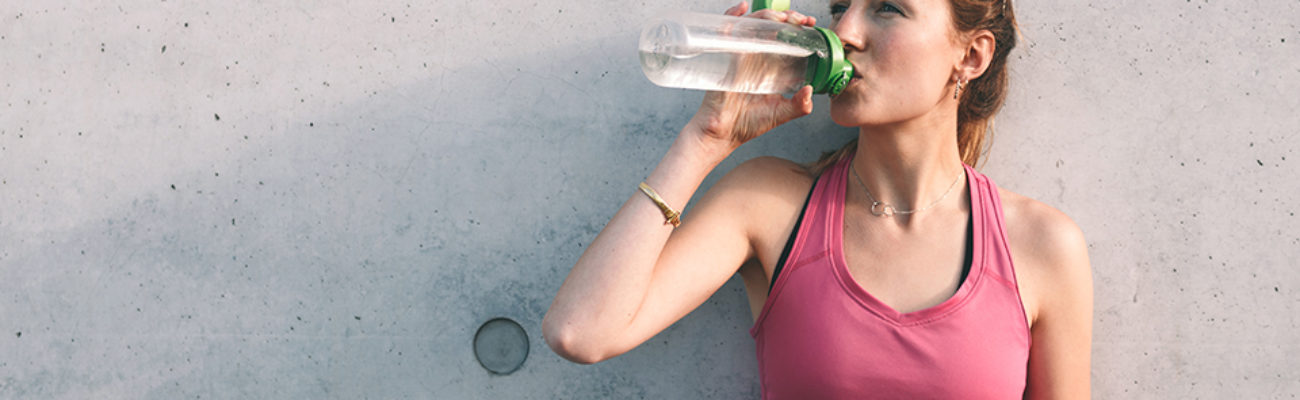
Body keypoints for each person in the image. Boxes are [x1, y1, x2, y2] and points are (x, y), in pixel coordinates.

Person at [543, 0, 1092, 397]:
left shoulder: (1041, 246)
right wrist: (706, 138)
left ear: (970, 57)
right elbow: (581, 332)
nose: (846, 31)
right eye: (839, 7)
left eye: (887, 9)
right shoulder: (769, 203)